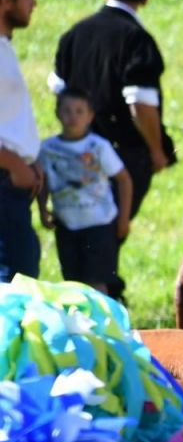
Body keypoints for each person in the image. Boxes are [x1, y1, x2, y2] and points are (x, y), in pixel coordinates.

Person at [50, 0, 168, 230]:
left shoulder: (76, 33)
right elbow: (140, 104)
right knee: (107, 236)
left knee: (79, 235)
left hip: (77, 153)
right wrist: (156, 150)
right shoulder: (137, 40)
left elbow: (58, 88)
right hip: (124, 156)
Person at [37, 89, 129, 292]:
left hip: (100, 224)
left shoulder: (98, 147)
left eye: (79, 111)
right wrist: (43, 209)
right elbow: (42, 182)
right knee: (73, 284)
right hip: (67, 225)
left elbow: (124, 180)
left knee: (97, 282)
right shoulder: (47, 149)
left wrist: (123, 218)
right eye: (67, 110)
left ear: (90, 116)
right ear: (57, 113)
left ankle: (102, 322)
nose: (73, 116)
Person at [0, 0, 41, 282]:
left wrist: (29, 161)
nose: (34, 3)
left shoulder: (5, 48)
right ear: (5, 1)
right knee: (10, 287)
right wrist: (14, 164)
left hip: (13, 188)